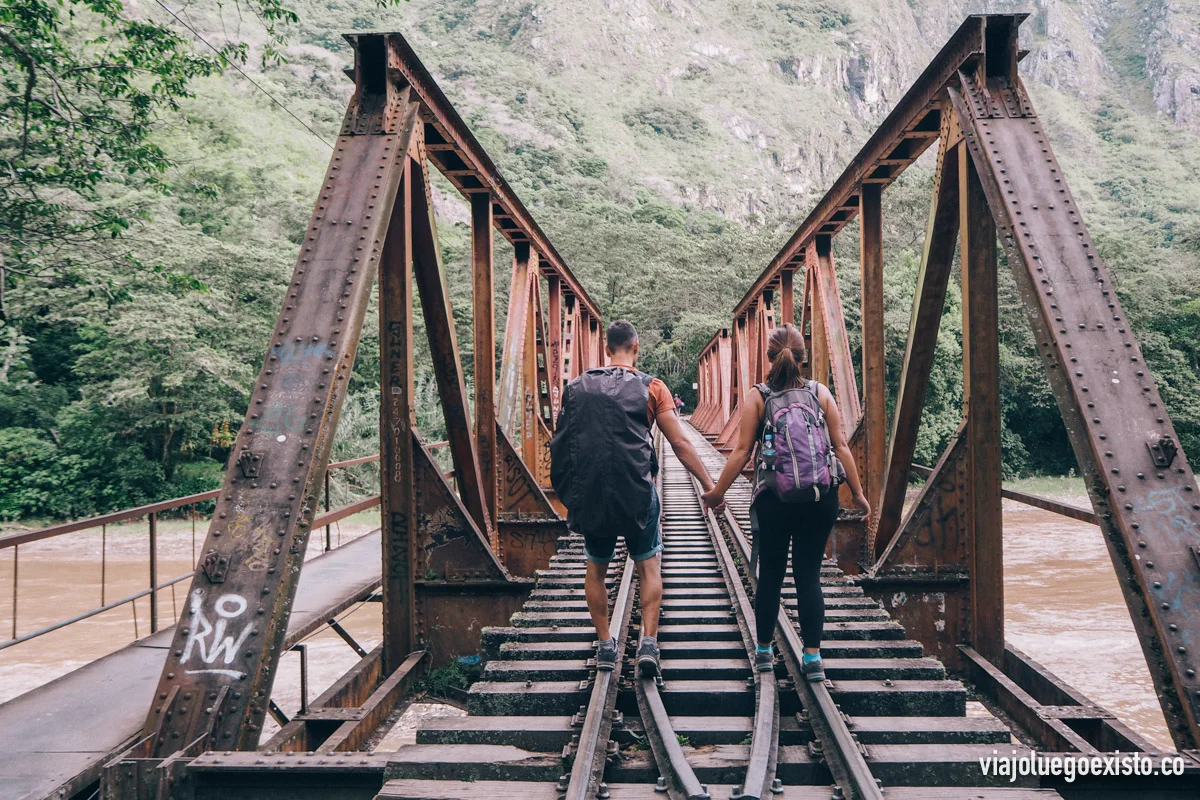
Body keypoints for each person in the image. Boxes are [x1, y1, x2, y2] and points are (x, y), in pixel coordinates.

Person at [701, 324, 870, 681]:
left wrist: (718, 492)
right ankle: (812, 659)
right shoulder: (820, 393)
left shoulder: (758, 396)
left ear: (768, 357)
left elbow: (743, 451)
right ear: (803, 359)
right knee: (809, 576)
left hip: (773, 499)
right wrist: (856, 493)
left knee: (771, 576)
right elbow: (840, 447)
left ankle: (763, 653)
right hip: (818, 498)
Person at [550, 320, 718, 678]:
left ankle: (606, 645)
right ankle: (648, 644)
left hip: (593, 495)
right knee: (648, 567)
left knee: (595, 568)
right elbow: (680, 443)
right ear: (636, 347)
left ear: (606, 349)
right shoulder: (652, 387)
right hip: (638, 494)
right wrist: (709, 486)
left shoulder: (578, 387)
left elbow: (562, 443)